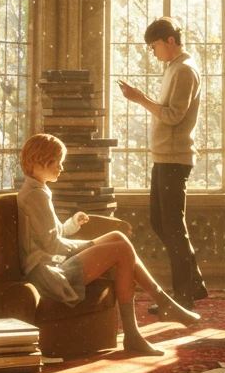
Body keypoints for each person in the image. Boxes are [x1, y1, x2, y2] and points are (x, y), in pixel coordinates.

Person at [16, 132, 199, 357]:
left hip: (50, 265)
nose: (61, 168)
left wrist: (73, 224)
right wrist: (91, 244)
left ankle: (157, 310)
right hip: (48, 274)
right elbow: (53, 246)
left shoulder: (38, 191)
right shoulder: (36, 196)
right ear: (38, 161)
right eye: (57, 162)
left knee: (117, 237)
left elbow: (50, 235)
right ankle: (145, 322)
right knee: (121, 249)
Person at [117, 17, 207, 310]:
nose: (152, 52)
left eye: (154, 46)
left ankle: (184, 296)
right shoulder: (172, 68)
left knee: (172, 226)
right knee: (161, 222)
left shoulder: (184, 70)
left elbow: (172, 116)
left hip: (174, 158)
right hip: (163, 156)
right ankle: (193, 284)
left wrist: (140, 99)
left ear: (171, 41)